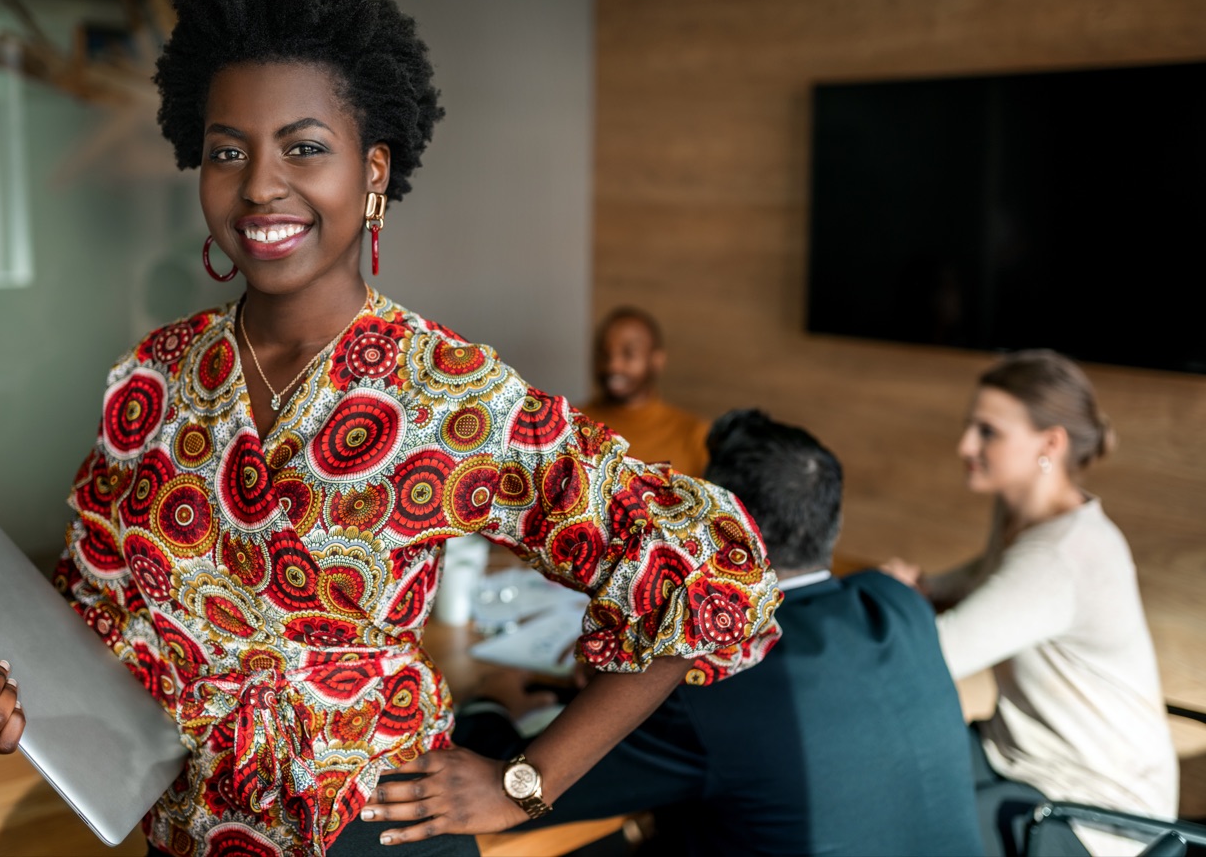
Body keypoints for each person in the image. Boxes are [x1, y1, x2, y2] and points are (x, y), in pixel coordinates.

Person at [0, 0, 782, 857]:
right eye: (226, 151)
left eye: (304, 147)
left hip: (374, 834)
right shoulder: (152, 380)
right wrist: (11, 708)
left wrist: (528, 779)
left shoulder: (449, 390)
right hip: (192, 831)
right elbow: (88, 622)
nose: (257, 185)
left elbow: (705, 565)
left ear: (372, 172)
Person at [455, 409, 983, 857]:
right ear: (834, 523)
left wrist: (490, 708)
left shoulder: (710, 673)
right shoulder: (893, 603)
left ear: (720, 524)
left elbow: (542, 793)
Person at [883, 350, 1177, 857]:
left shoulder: (1063, 554)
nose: (965, 445)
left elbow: (936, 659)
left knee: (897, 821)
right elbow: (984, 577)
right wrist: (925, 587)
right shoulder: (1023, 516)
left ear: (1051, 443)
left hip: (1095, 811)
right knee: (888, 772)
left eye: (987, 432)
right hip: (1021, 759)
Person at [580, 307, 709, 478]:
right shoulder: (571, 425)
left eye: (629, 354)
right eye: (604, 354)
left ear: (656, 360)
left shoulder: (695, 436)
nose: (613, 366)